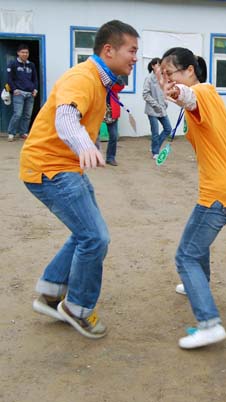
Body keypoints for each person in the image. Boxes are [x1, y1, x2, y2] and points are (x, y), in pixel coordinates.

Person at [22, 20, 139, 338]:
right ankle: (78, 308)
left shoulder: (101, 81)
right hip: (49, 169)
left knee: (85, 232)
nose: (135, 58)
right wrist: (85, 144)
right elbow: (65, 117)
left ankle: (50, 292)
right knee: (95, 237)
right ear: (109, 50)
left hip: (63, 167)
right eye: (132, 50)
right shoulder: (82, 77)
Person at [158, 47, 226, 349]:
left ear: (189, 70)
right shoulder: (208, 98)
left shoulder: (202, 92)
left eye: (171, 72)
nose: (167, 78)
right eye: (164, 74)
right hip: (222, 189)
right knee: (196, 246)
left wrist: (174, 90)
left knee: (186, 255)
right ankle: (198, 286)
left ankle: (209, 323)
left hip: (221, 192)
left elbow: (187, 96)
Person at [7, 43, 38, 142]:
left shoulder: (31, 65)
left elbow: (35, 78)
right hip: (19, 93)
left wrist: (35, 89)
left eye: (26, 52)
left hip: (30, 94)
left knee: (27, 115)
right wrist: (14, 89)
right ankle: (11, 133)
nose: (25, 54)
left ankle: (23, 132)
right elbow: (9, 78)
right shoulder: (13, 64)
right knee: (18, 114)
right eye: (22, 52)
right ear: (18, 53)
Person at [143, 57, 172, 159]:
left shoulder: (163, 78)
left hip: (162, 110)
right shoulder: (149, 79)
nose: (160, 68)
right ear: (153, 66)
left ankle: (154, 146)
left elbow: (165, 93)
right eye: (158, 65)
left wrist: (165, 103)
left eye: (161, 65)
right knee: (155, 132)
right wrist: (156, 105)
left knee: (168, 129)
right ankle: (155, 152)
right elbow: (145, 94)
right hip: (152, 110)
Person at [104, 79, 125, 166]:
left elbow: (120, 86)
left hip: (111, 112)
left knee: (114, 136)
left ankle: (110, 157)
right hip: (98, 111)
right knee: (93, 136)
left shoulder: (113, 86)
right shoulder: (97, 84)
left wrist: (118, 80)